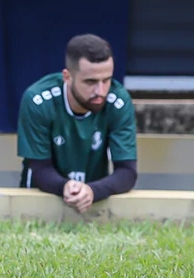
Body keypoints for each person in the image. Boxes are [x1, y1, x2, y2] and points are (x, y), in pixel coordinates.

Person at [17, 34, 138, 213]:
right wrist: (65, 187)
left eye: (106, 80)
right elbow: (40, 168)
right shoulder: (38, 100)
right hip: (39, 201)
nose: (101, 91)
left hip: (94, 204)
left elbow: (127, 172)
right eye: (90, 81)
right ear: (67, 77)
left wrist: (92, 191)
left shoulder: (118, 100)